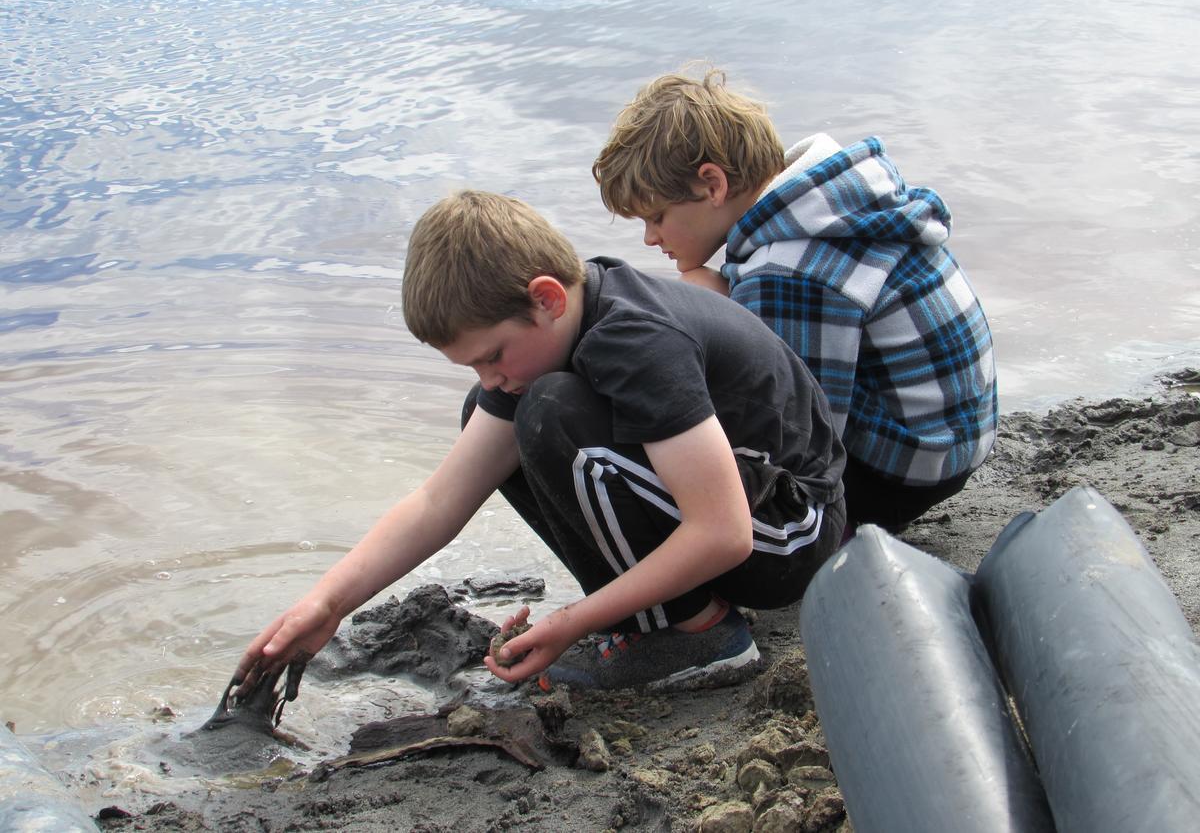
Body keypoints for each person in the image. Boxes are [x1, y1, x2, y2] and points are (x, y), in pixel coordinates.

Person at [234, 190, 845, 696]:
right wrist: (326, 602)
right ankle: (651, 622)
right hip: (744, 514)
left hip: (793, 535)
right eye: (473, 364)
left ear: (547, 298)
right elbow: (437, 502)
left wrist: (567, 624)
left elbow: (724, 532)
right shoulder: (563, 330)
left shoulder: (633, 339)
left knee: (548, 411)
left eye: (493, 356)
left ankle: (699, 634)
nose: (491, 376)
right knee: (493, 414)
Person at [592, 68, 997, 535]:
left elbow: (803, 440)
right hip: (951, 444)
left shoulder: (788, 270)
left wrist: (715, 319)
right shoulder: (828, 206)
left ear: (712, 185)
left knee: (669, 442)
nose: (650, 238)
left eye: (657, 216)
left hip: (904, 473)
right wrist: (728, 303)